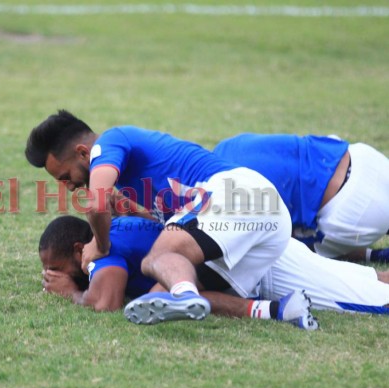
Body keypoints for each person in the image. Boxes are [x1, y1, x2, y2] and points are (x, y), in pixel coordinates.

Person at [25, 110, 302, 325]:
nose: (68, 186)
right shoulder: (132, 179)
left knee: (156, 259)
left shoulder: (109, 142)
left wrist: (100, 244)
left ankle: (185, 294)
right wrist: (134, 210)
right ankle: (274, 311)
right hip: (267, 223)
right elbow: (160, 217)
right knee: (152, 299)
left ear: (84, 153)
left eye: (65, 177)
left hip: (235, 193)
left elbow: (96, 204)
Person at [39, 216, 389, 323]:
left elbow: (107, 302)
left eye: (57, 268)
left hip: (259, 266)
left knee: (374, 300)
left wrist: (71, 292)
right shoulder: (120, 229)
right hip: (252, 251)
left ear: (77, 249)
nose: (54, 276)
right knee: (366, 280)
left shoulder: (100, 250)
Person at [212, 133, 389, 262]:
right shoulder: (226, 145)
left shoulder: (222, 193)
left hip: (357, 212)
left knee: (293, 253)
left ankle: (373, 255)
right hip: (366, 159)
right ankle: (375, 255)